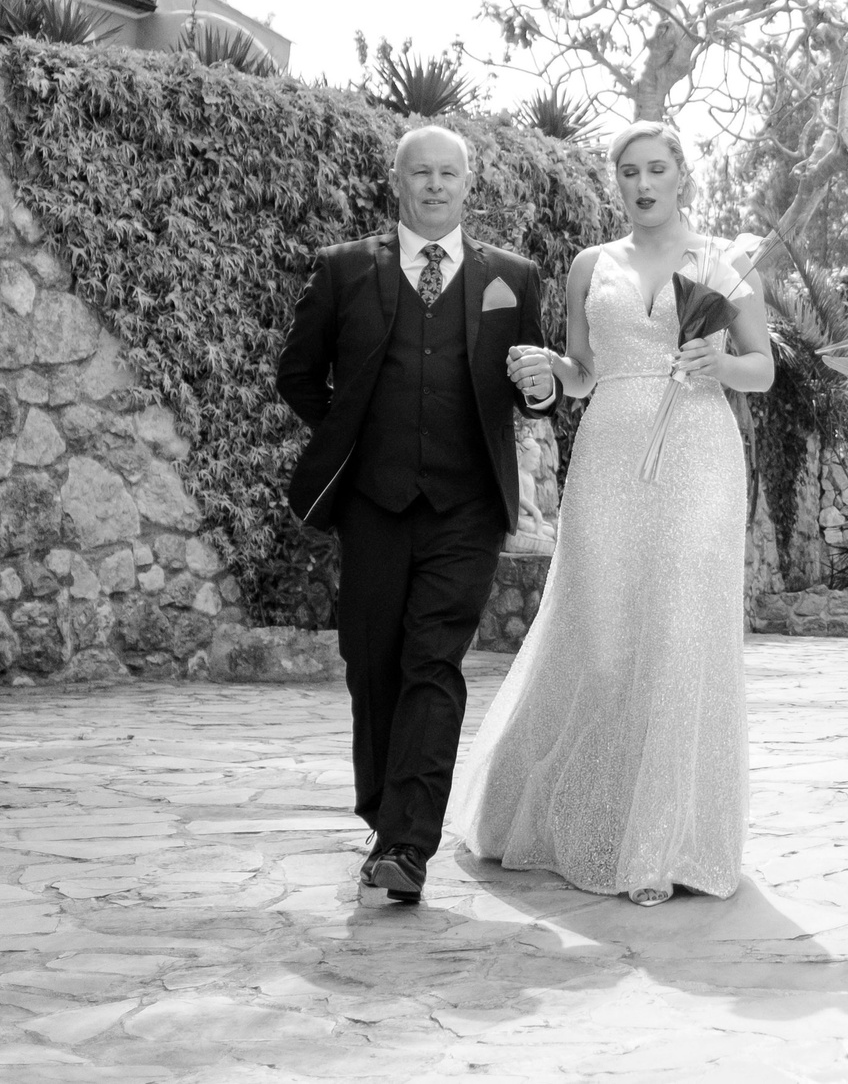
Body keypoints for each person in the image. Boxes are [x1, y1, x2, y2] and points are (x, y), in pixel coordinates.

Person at [451, 122, 772, 906]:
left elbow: (761, 369)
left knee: (679, 635)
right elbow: (587, 375)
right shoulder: (592, 266)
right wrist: (549, 366)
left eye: (656, 168)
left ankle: (660, 846)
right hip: (608, 457)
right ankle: (567, 820)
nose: (641, 183)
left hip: (699, 455)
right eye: (628, 171)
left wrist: (716, 362)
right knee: (600, 637)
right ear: (616, 181)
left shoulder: (723, 265)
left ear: (682, 173)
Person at [274, 124, 557, 906]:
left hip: (467, 505)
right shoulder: (343, 271)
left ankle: (407, 843)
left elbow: (539, 383)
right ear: (397, 183)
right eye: (420, 173)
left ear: (469, 185)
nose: (435, 185)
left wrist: (541, 386)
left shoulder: (513, 276)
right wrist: (349, 430)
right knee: (372, 665)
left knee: (433, 663)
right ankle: (384, 811)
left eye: (449, 174)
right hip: (372, 501)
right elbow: (296, 373)